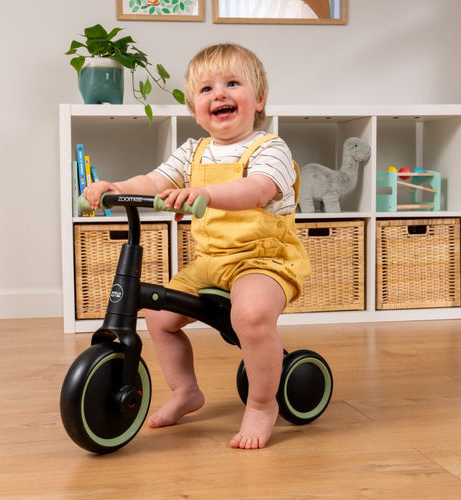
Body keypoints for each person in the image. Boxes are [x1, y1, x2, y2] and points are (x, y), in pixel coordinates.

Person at [82, 43, 310, 449]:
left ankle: (261, 403)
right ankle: (186, 391)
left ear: (259, 99)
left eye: (232, 83)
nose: (219, 94)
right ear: (193, 108)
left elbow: (256, 190)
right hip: (211, 261)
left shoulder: (270, 148)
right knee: (157, 315)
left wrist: (204, 192)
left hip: (264, 259)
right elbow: (154, 181)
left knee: (253, 315)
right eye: (206, 89)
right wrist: (116, 187)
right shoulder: (192, 151)